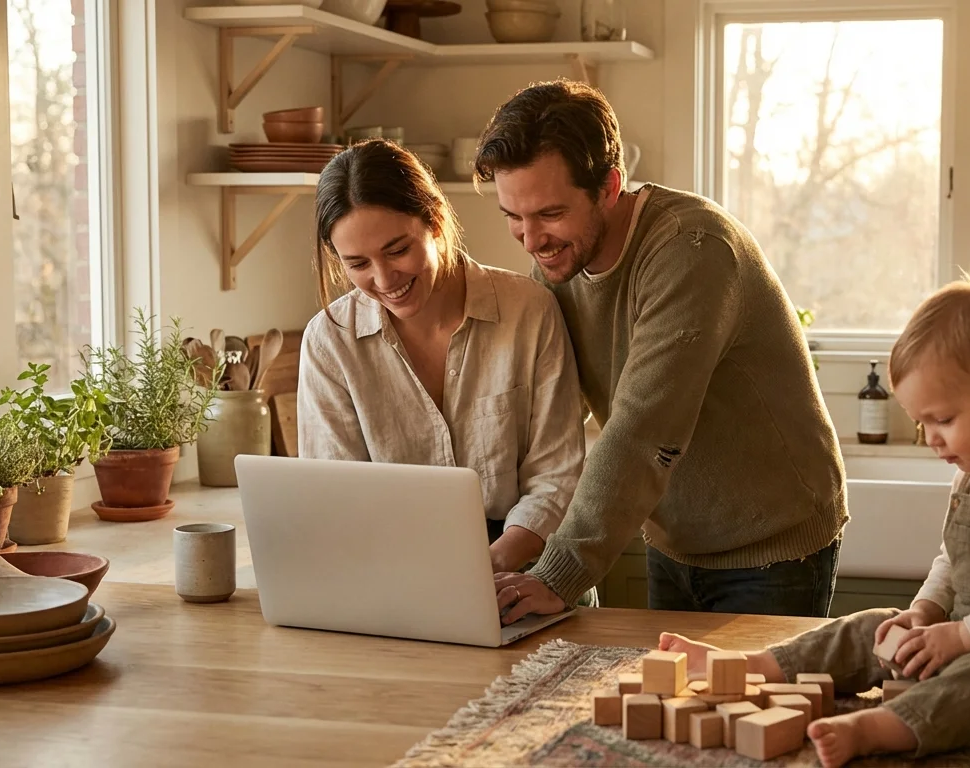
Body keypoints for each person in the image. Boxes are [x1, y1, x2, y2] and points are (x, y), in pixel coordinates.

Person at [660, 281, 970, 766]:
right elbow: (954, 560)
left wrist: (962, 636)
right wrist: (926, 612)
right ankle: (755, 667)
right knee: (874, 627)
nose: (931, 439)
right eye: (922, 423)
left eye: (943, 420)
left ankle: (885, 727)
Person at [475, 80, 848, 621]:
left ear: (609, 186)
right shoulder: (561, 258)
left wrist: (559, 574)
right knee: (674, 704)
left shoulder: (692, 250)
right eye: (513, 217)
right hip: (673, 539)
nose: (531, 240)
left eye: (550, 214)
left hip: (773, 545)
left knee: (752, 707)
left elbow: (644, 429)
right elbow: (549, 412)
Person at [297, 139, 585, 577]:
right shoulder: (329, 342)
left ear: (434, 220)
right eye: (357, 263)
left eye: (398, 250)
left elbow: (557, 473)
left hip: (531, 567)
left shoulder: (530, 310)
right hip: (395, 567)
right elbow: (338, 497)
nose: (384, 278)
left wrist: (492, 562)